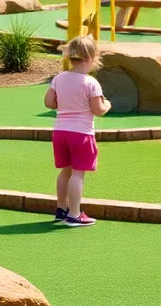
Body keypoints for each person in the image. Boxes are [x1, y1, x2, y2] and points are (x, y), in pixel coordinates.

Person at [44, 35, 112, 227]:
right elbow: (98, 109)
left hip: (60, 132)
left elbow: (49, 102)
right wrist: (107, 104)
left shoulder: (59, 78)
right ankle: (74, 214)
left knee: (65, 171)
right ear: (91, 57)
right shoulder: (90, 83)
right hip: (81, 133)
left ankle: (61, 209)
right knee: (78, 174)